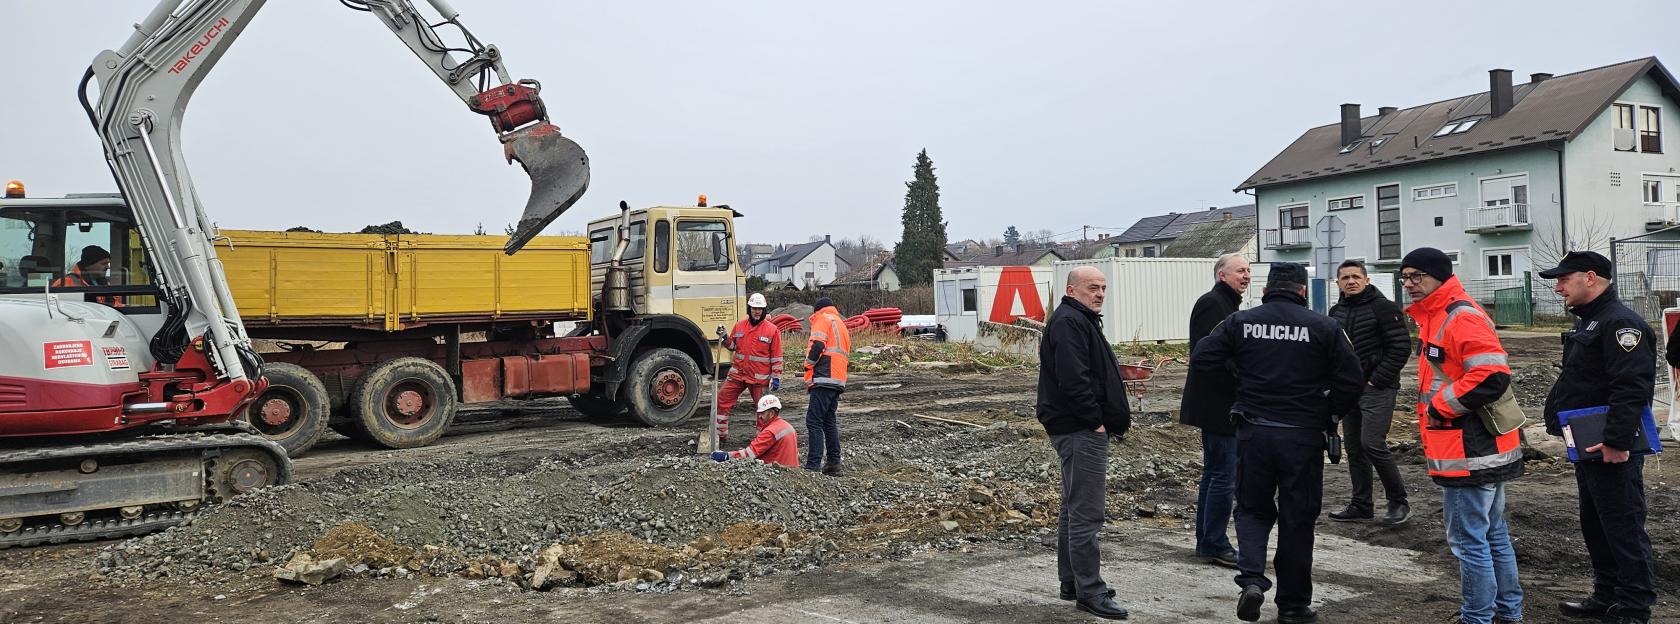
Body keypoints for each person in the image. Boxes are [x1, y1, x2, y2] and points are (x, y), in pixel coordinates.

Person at [1187, 262, 1362, 624]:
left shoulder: (1241, 321)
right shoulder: (1325, 327)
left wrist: (1241, 382)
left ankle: (1251, 580)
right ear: (1302, 291)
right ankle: (1294, 605)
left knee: (1252, 510)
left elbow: (1203, 357)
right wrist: (1327, 413)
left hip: (1254, 432)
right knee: (1298, 518)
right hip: (1302, 436)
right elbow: (1352, 380)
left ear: (1266, 290)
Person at [1399, 247, 1524, 624]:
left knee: (1470, 541)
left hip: (1468, 450)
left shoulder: (1458, 315)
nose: (1409, 284)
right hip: (1475, 448)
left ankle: (1478, 617)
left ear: (1440, 275)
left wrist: (1441, 406)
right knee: (1492, 534)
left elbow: (1492, 376)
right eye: (1405, 278)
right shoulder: (1438, 316)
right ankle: (1506, 612)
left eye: (1417, 276)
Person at [1539, 251, 1657, 624]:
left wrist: (1618, 442)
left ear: (1590, 277)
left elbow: (1632, 389)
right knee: (1596, 524)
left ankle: (1635, 610)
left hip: (1609, 446)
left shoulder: (1621, 324)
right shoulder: (1590, 321)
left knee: (1623, 527)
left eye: (1563, 279)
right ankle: (1606, 596)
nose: (1557, 287)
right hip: (1587, 443)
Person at [1037, 265, 1130, 620]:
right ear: (1072, 290)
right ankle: (1090, 591)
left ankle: (1072, 582)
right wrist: (1095, 422)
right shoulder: (1069, 322)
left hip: (1077, 427)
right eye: (1093, 287)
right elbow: (1073, 380)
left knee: (1072, 507)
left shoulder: (1078, 319)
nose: (1100, 293)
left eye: (1103, 287)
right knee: (1086, 513)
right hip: (1079, 429)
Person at [1326, 259, 1412, 525]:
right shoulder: (1335, 312)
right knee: (1354, 448)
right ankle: (1361, 504)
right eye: (1344, 278)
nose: (1350, 281)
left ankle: (1399, 502)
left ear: (1366, 280)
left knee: (1372, 443)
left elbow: (1400, 348)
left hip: (1378, 389)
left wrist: (1377, 380)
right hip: (1348, 391)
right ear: (1338, 283)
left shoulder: (1384, 308)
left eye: (1355, 277)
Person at [1180, 252, 1250, 568]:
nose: (1246, 276)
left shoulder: (1228, 304)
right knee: (1223, 476)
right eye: (1239, 271)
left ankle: (1208, 541)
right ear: (1222, 275)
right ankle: (1215, 543)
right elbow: (1208, 356)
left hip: (1218, 403)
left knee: (1215, 474)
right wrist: (1239, 386)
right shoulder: (1213, 304)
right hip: (1218, 404)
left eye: (1248, 270)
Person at [717, 293, 783, 440]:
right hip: (738, 374)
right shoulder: (740, 326)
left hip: (759, 378)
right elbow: (733, 346)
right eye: (754, 308)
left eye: (760, 308)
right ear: (749, 309)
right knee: (722, 398)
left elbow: (777, 356)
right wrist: (725, 337)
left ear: (764, 310)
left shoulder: (772, 330)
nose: (757, 311)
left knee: (764, 409)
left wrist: (776, 377)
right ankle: (720, 435)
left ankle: (762, 440)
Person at [803, 297, 850, 476]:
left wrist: (808, 364)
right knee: (829, 421)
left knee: (813, 420)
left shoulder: (823, 318)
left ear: (817, 310)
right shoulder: (840, 323)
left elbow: (818, 345)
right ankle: (833, 464)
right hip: (837, 379)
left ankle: (813, 465)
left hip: (824, 376)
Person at [710, 394, 799, 467]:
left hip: (778, 475)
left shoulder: (770, 431)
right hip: (793, 473)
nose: (759, 417)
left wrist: (726, 456)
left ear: (771, 413)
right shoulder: (787, 426)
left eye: (762, 413)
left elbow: (750, 454)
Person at [51, 245, 123, 307]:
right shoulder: (65, 282)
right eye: (103, 264)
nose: (108, 267)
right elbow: (57, 307)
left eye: (108, 264)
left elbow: (114, 305)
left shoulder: (104, 283)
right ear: (89, 264)